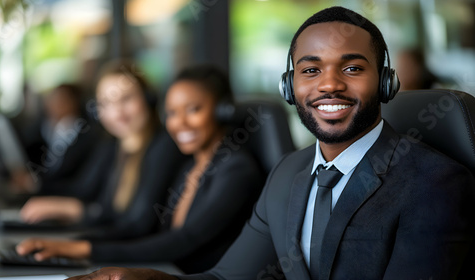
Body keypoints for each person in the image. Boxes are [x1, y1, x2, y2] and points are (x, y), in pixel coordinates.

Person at [65, 6, 475, 280]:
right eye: (310, 70)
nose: (329, 84)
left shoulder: (434, 184)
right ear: (289, 85)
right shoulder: (289, 172)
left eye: (351, 67)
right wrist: (137, 278)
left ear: (386, 82)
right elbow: (226, 279)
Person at [17, 65, 264, 273]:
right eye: (172, 113)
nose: (180, 123)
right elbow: (151, 233)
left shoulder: (236, 170)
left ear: (223, 110)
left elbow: (183, 240)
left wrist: (83, 249)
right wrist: (71, 244)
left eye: (193, 109)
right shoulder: (191, 166)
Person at [18, 61, 186, 230]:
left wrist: (72, 211)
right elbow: (83, 189)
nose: (117, 112)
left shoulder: (164, 147)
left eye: (126, 99)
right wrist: (37, 187)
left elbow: (138, 222)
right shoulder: (113, 146)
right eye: (106, 103)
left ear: (149, 99)